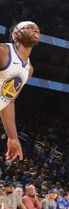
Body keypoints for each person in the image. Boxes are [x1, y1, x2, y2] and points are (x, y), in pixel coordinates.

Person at [1, 21, 39, 163]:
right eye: (29, 27)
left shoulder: (29, 69)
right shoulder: (3, 51)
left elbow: (8, 100)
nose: (35, 30)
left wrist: (13, 137)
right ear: (16, 34)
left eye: (37, 29)